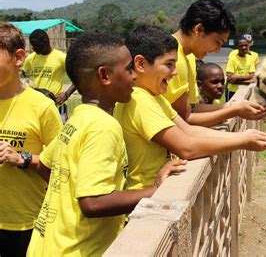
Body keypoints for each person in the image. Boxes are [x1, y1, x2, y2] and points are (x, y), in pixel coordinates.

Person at [26, 32, 186, 256]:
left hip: (46, 245)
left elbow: (45, 165)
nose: (133, 77)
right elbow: (93, 203)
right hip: (77, 250)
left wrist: (67, 201)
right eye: (129, 69)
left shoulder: (78, 118)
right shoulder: (103, 126)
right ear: (105, 75)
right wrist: (156, 190)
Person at [114, 25, 266, 191]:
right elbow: (186, 147)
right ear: (141, 64)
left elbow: (188, 130)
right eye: (169, 64)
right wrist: (242, 141)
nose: (174, 73)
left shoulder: (155, 97)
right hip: (146, 198)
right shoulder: (140, 99)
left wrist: (243, 136)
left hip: (161, 189)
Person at [0, 22, 63, 256]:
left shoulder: (42, 108)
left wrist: (23, 158)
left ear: (18, 58)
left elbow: (61, 170)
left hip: (28, 225)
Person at [163, 0, 266, 127]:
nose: (218, 50)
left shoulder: (189, 57)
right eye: (217, 42)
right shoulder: (174, 58)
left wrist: (232, 105)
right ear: (199, 29)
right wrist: (233, 110)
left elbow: (192, 108)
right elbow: (185, 118)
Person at [22, 29, 76, 122]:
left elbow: (78, 77)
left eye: (35, 45)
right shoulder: (31, 58)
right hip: (37, 104)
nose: (33, 48)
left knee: (59, 133)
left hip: (57, 104)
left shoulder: (61, 58)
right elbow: (23, 73)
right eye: (32, 46)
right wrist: (27, 84)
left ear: (45, 42)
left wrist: (66, 94)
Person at [225, 34, 259, 101]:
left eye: (246, 45)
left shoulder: (251, 57)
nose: (244, 47)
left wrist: (237, 77)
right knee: (231, 110)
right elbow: (230, 80)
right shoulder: (233, 57)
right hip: (233, 90)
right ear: (237, 47)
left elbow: (252, 76)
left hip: (246, 91)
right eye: (241, 46)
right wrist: (248, 81)